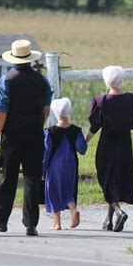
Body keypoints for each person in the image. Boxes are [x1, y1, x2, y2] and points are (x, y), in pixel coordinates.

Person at [0, 39, 52, 236]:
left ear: (13, 59)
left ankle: (1, 220)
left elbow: (1, 111)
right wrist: (37, 125)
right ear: (30, 59)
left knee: (8, 177)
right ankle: (30, 223)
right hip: (34, 133)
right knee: (32, 178)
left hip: (12, 134)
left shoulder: (7, 80)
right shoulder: (42, 80)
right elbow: (45, 110)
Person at [86, 66, 133, 232]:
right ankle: (108, 221)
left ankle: (118, 211)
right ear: (121, 80)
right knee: (115, 180)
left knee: (106, 178)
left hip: (107, 144)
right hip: (125, 143)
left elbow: (95, 125)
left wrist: (84, 141)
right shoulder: (132, 99)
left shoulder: (101, 101)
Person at [42, 97, 87, 230]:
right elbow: (82, 149)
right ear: (68, 112)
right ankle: (73, 211)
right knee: (68, 190)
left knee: (53, 191)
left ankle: (57, 223)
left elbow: (46, 153)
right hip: (71, 164)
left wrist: (42, 170)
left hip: (54, 166)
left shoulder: (49, 132)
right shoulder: (76, 130)